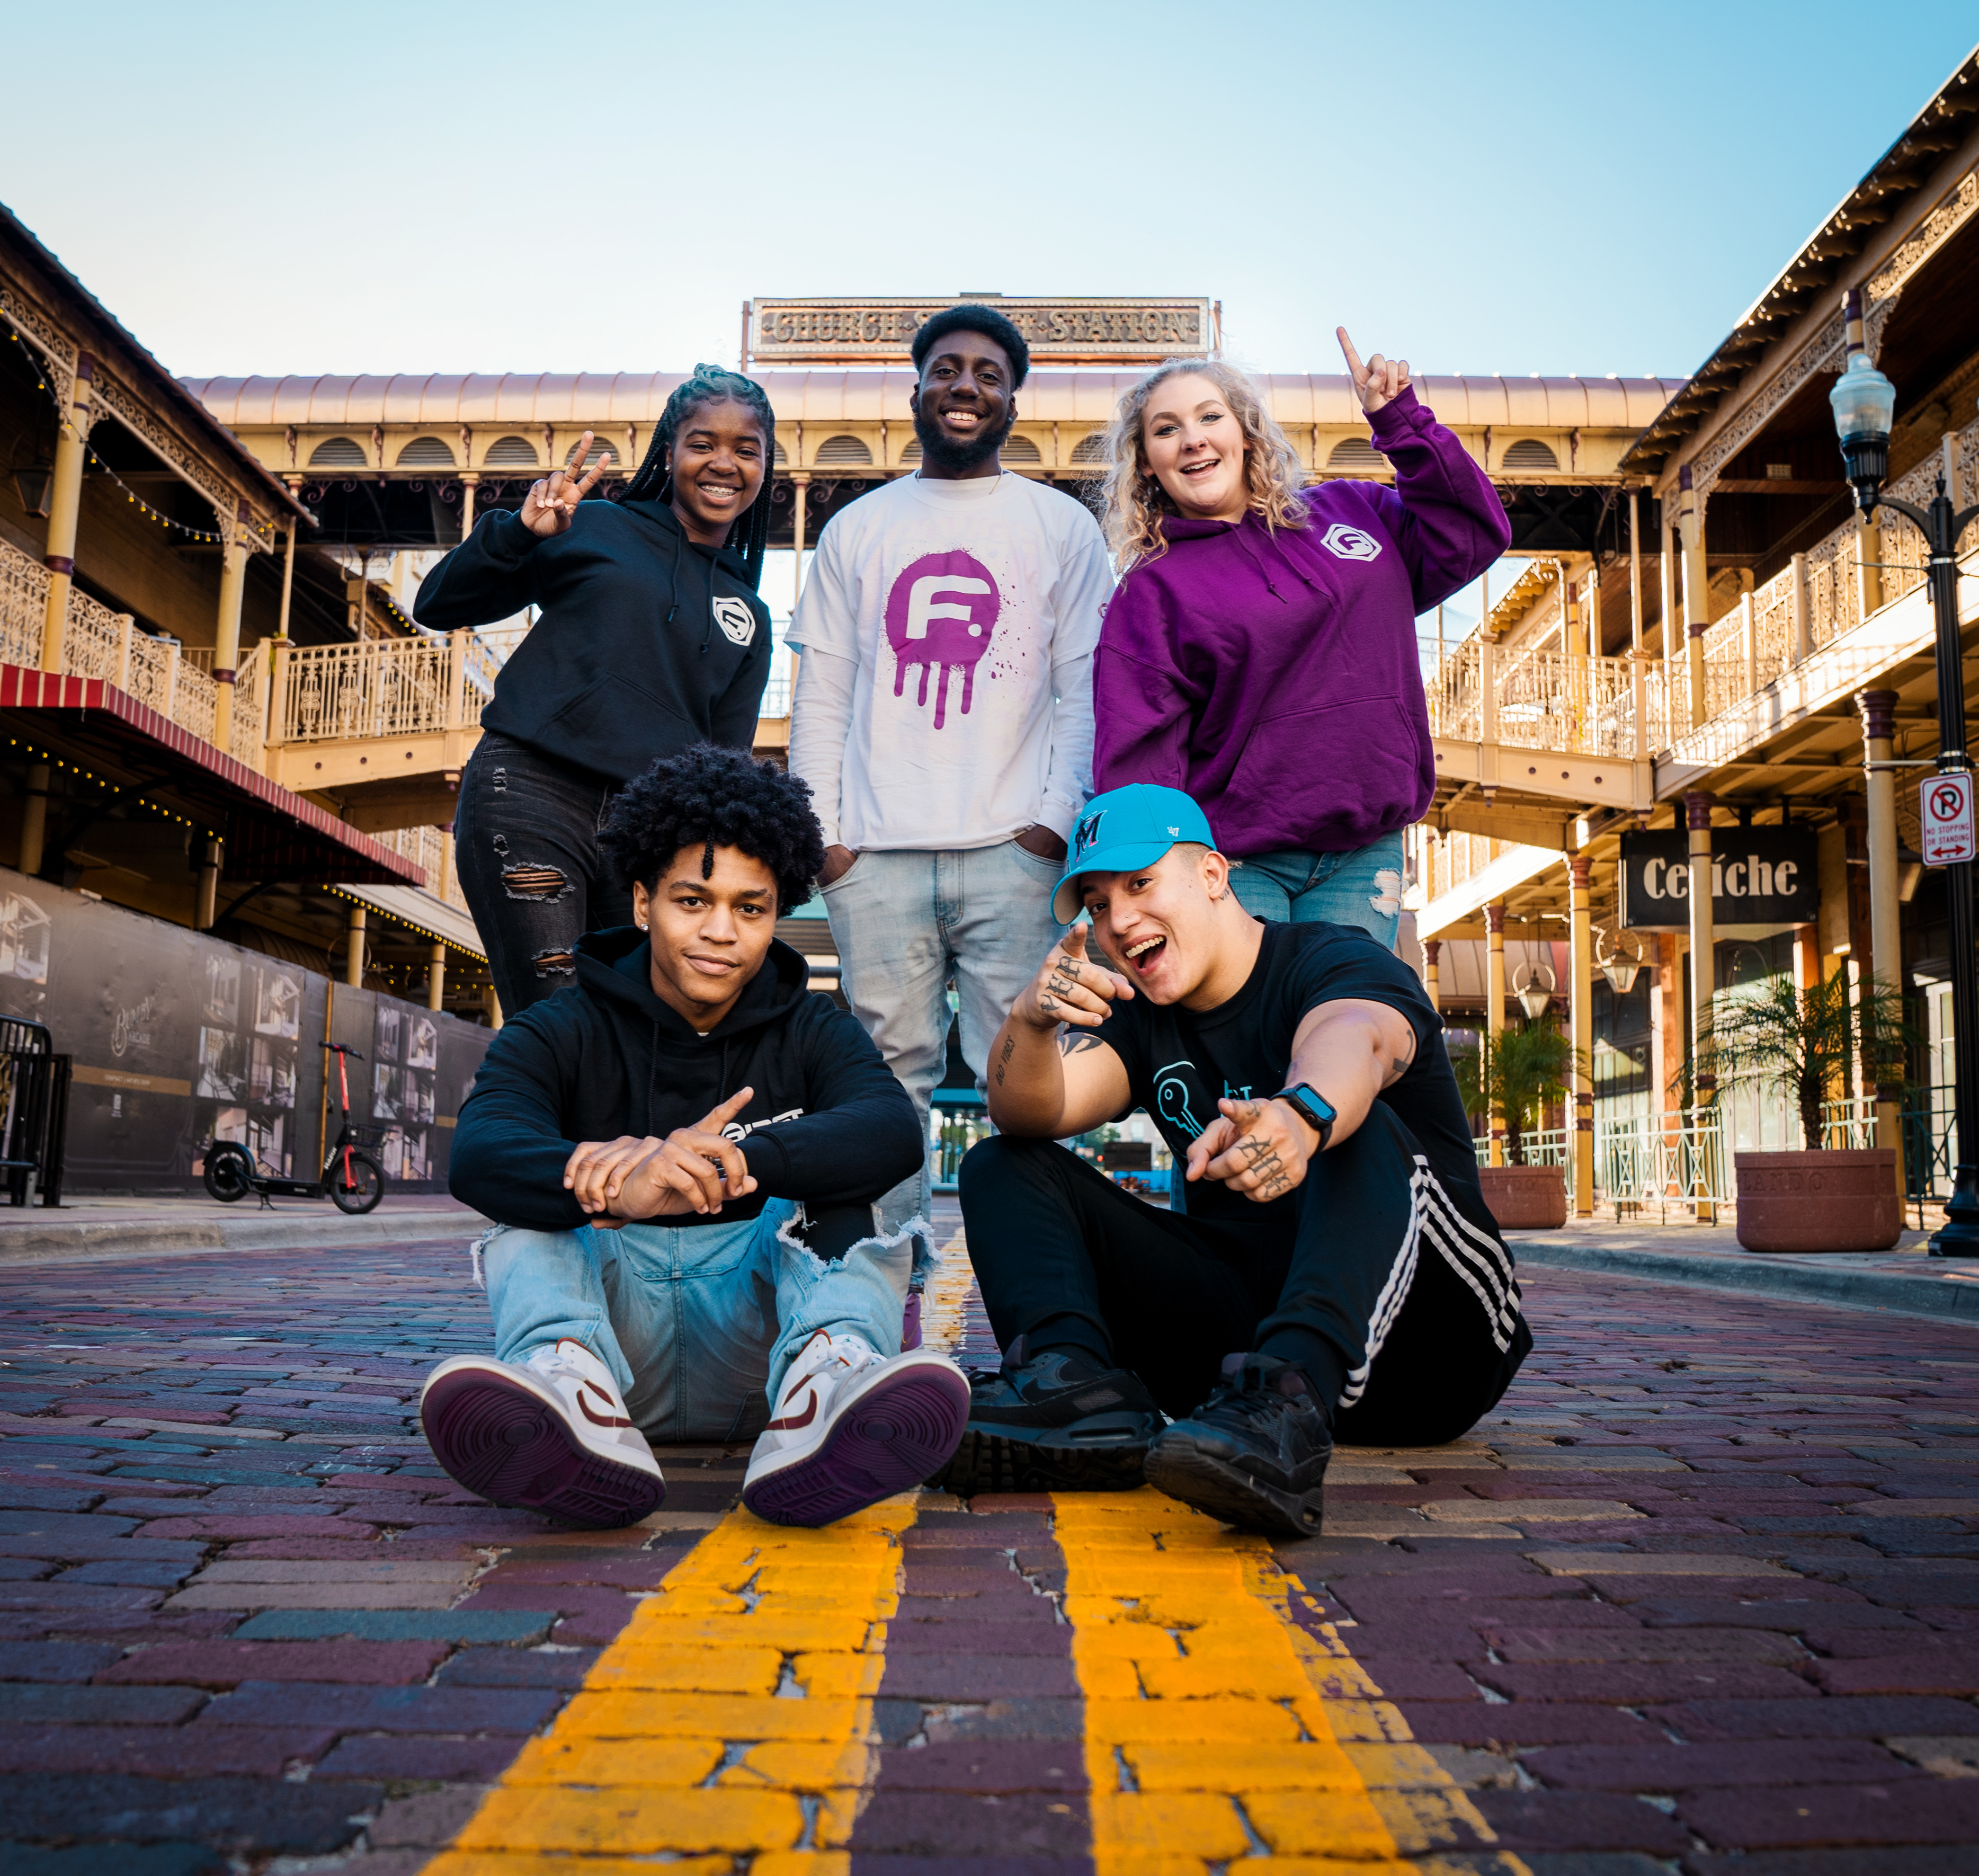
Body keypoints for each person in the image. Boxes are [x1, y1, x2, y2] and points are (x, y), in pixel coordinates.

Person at [950, 783, 1531, 1537]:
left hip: (1430, 1349)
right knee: (1003, 1163)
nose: (1117, 921)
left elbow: (1357, 1038)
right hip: (1240, 1366)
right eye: (1097, 904)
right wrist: (1030, 1020)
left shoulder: (1331, 959)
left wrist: (1301, 1115)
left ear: (1214, 875)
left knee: (1354, 1121)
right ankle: (1075, 1393)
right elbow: (1035, 1109)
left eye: (1140, 884)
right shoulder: (1143, 1019)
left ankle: (1290, 1394)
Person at [418, 746, 967, 1530]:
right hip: (613, 1353)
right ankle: (569, 1396)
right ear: (644, 903)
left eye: (750, 909)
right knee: (536, 1208)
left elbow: (889, 1133)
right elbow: (480, 1152)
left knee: (846, 1193)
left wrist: (742, 1160)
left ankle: (825, 1391)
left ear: (776, 917)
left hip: (767, 1362)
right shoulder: (559, 1027)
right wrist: (617, 1182)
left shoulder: (814, 1027)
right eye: (692, 901)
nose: (720, 932)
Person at [788, 304, 1115, 1229]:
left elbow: (1085, 692)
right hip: (875, 859)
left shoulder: (1061, 527)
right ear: (917, 391)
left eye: (987, 373)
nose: (965, 386)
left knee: (1036, 1079)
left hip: (1016, 857)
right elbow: (823, 699)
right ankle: (878, 1288)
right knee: (884, 1088)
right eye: (946, 369)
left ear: (1013, 400)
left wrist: (1050, 826)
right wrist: (827, 843)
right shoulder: (858, 527)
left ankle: (1047, 1296)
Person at [1089, 333, 1510, 945]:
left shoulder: (1354, 510)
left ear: (1246, 433)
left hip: (1365, 849)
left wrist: (1401, 423)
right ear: (1147, 462)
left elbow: (1470, 534)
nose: (1193, 439)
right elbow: (1138, 758)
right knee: (1257, 1011)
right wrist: (1157, 880)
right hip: (1236, 861)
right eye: (1166, 429)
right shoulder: (1151, 591)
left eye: (1210, 417)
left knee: (1346, 1003)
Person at [415, 365, 778, 1018]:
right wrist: (518, 532)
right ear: (668, 454)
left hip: (644, 836)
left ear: (764, 467)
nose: (724, 463)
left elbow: (723, 769)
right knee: (555, 1011)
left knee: (630, 1029)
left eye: (745, 450)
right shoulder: (594, 524)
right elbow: (439, 604)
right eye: (702, 444)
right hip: (530, 795)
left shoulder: (749, 613)